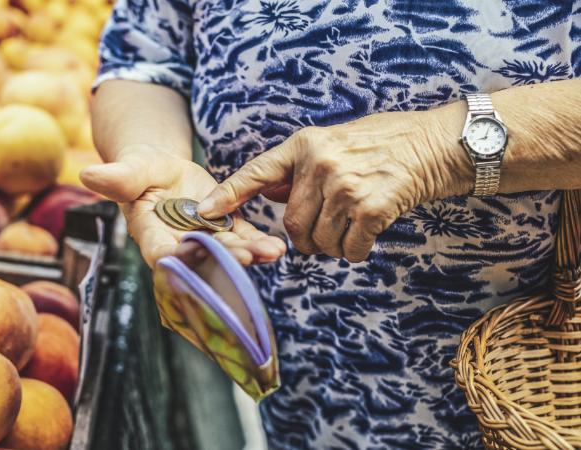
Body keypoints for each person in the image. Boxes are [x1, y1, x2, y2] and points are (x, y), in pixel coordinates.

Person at [81, 1, 581, 448]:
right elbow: (146, 59)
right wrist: (153, 153)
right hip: (308, 379)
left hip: (524, 388)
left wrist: (439, 147)